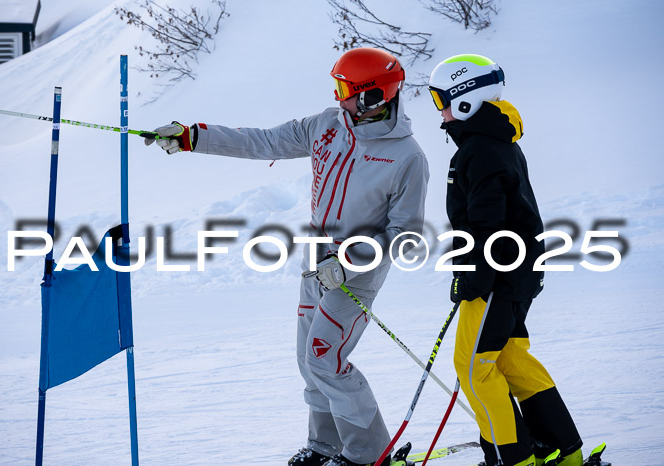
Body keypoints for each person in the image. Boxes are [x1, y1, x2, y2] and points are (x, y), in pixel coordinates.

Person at [145, 47, 429, 466]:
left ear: (373, 97)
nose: (338, 99)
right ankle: (324, 446)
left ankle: (371, 455)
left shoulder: (407, 157)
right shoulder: (326, 125)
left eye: (345, 90)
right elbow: (262, 141)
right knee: (308, 359)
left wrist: (349, 261)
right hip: (315, 260)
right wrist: (194, 137)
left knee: (325, 358)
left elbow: (405, 235)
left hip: (356, 274)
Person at [427, 54, 583, 466]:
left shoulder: (479, 150)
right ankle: (563, 451)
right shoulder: (498, 143)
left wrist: (471, 278)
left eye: (440, 99)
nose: (439, 111)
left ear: (466, 100)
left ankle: (512, 458)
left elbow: (486, 225)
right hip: (517, 274)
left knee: (473, 369)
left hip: (495, 277)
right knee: (511, 359)